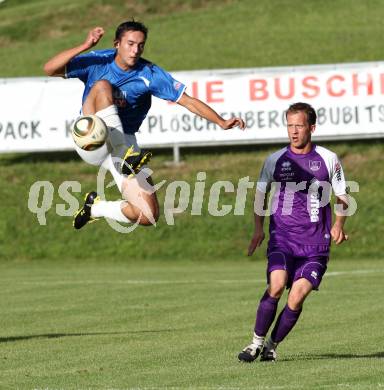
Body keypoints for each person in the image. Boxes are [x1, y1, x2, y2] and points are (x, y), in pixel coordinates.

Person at [43, 20, 245, 229]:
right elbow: (49, 69)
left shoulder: (149, 73)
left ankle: (95, 208)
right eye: (130, 43)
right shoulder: (99, 60)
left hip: (125, 144)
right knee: (103, 86)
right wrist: (85, 46)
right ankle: (125, 158)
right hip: (90, 136)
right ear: (117, 44)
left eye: (140, 45)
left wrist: (220, 121)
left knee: (148, 215)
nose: (135, 49)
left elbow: (188, 101)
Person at [238, 102, 349, 362]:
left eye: (299, 125)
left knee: (297, 297)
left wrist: (338, 225)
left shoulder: (328, 158)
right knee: (276, 286)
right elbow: (261, 195)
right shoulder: (275, 160)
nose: (294, 131)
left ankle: (272, 346)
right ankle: (255, 343)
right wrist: (258, 229)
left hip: (315, 244)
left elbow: (344, 197)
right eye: (290, 125)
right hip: (283, 238)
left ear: (312, 127)